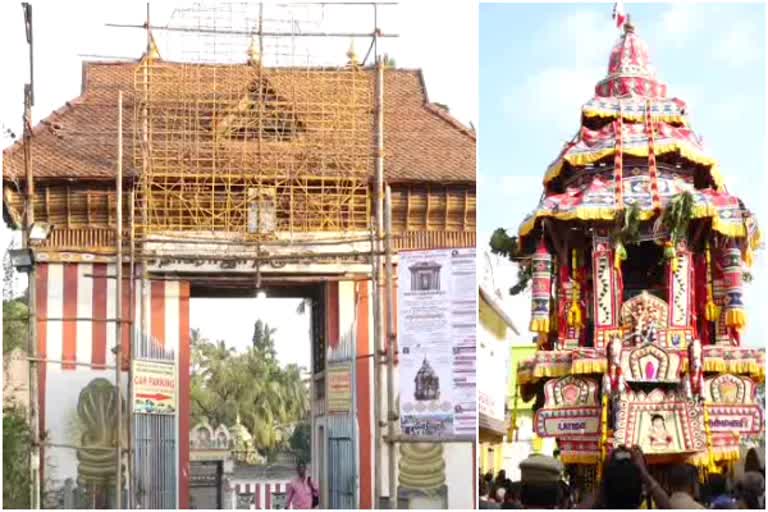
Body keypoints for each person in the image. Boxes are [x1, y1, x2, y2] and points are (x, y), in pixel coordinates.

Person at [579, 445, 671, 509]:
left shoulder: (601, 495)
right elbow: (668, 507)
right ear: (640, 497)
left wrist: (604, 476)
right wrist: (644, 473)